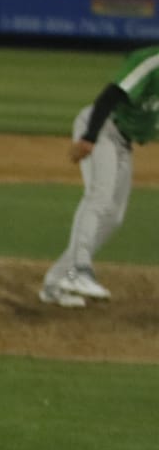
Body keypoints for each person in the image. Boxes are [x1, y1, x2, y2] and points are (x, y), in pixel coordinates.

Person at [39, 45, 159, 308]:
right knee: (99, 196)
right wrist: (90, 137)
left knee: (113, 216)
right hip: (102, 128)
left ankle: (56, 282)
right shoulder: (151, 62)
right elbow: (110, 95)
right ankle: (80, 270)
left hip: (124, 141)